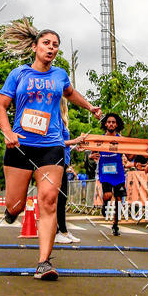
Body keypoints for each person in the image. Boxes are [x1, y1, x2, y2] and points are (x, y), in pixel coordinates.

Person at [0, 18, 101, 280]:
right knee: (16, 205)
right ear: (35, 47)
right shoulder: (19, 74)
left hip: (51, 146)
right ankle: (11, 213)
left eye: (55, 45)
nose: (51, 48)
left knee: (49, 201)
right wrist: (8, 133)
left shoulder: (60, 74)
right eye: (46, 43)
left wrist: (89, 107)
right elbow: (1, 106)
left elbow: (70, 92)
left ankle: (44, 262)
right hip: (20, 146)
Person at [90, 112, 126, 237]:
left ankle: (115, 224)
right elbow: (92, 153)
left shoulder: (121, 140)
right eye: (109, 122)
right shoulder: (100, 139)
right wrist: (91, 156)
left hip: (119, 173)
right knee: (108, 195)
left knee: (119, 200)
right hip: (105, 172)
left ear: (117, 125)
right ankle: (105, 203)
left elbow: (131, 154)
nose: (111, 124)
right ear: (105, 124)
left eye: (113, 122)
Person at [55, 99, 86, 244]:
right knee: (59, 198)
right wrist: (75, 141)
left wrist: (74, 145)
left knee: (62, 198)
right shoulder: (56, 119)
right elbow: (57, 141)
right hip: (57, 162)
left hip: (63, 162)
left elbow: (64, 145)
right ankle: (58, 231)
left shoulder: (62, 121)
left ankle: (63, 230)